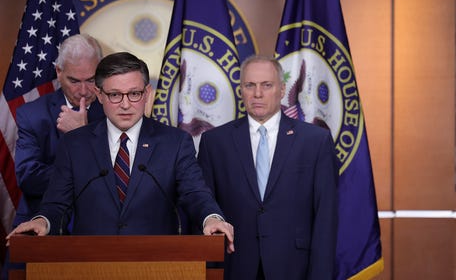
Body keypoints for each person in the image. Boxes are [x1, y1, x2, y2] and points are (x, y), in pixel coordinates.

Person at [8, 52, 234, 252]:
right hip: (89, 264)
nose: (125, 104)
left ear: (146, 93)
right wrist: (42, 221)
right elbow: (57, 204)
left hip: (157, 263)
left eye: (134, 93)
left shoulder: (174, 143)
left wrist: (211, 218)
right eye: (115, 95)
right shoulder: (75, 145)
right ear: (99, 95)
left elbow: (195, 193)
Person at [197, 55, 338, 280]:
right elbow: (202, 205)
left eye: (267, 85)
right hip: (235, 265)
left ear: (282, 90)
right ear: (241, 90)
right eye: (250, 85)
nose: (258, 94)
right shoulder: (214, 142)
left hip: (295, 267)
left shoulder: (315, 141)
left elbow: (325, 217)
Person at [13, 33, 105, 227]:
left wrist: (80, 135)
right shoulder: (32, 114)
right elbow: (29, 179)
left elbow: (121, 177)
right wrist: (83, 175)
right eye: (74, 81)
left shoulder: (116, 113)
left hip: (98, 226)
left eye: (91, 80)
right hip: (39, 223)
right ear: (58, 72)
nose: (83, 90)